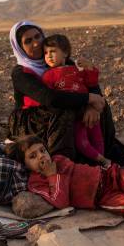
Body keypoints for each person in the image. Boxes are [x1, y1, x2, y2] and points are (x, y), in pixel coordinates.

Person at [7, 20, 124, 164]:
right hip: (32, 121)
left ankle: (101, 154)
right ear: (20, 48)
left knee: (101, 104)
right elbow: (50, 98)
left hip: (55, 110)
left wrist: (93, 106)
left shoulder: (61, 63)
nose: (36, 43)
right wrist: (89, 98)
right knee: (64, 111)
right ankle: (64, 164)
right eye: (28, 41)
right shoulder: (20, 73)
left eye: (37, 37)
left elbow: (88, 85)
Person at [41, 34, 109, 167]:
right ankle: (101, 160)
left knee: (97, 138)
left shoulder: (76, 69)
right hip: (75, 114)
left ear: (65, 53)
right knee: (81, 141)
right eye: (45, 53)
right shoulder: (48, 75)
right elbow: (49, 97)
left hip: (88, 109)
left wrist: (90, 68)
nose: (48, 55)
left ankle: (100, 165)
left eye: (53, 51)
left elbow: (91, 82)